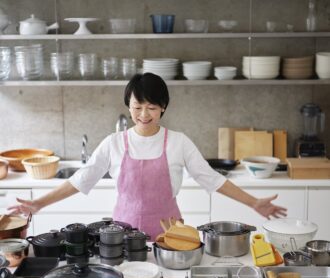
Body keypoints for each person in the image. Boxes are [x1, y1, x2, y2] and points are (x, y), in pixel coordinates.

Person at [8, 73, 287, 241]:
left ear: (163, 107)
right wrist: (40, 203)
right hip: (122, 235)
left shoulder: (178, 142)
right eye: (137, 107)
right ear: (128, 107)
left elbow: (211, 179)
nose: (144, 115)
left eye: (151, 107)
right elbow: (82, 178)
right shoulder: (114, 143)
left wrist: (254, 203)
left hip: (172, 234)